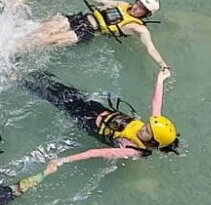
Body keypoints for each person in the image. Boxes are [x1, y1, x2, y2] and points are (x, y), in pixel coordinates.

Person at [22, 68, 179, 169]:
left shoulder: (132, 150)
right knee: (65, 90)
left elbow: (95, 152)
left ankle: (20, 80)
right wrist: (160, 79)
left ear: (152, 142)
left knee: (55, 99)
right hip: (99, 109)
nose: (144, 127)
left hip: (88, 122)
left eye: (147, 131)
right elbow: (156, 103)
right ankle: (30, 70)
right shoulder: (153, 127)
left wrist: (63, 160)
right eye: (147, 125)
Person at [28, 0, 170, 70]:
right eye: (138, 3)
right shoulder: (122, 4)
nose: (136, 7)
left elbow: (151, 48)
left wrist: (163, 65)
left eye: (141, 8)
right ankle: (18, 40)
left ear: (146, 14)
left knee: (47, 40)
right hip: (81, 18)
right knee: (40, 28)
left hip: (86, 31)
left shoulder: (139, 28)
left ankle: (16, 51)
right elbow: (101, 1)